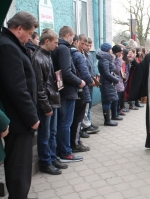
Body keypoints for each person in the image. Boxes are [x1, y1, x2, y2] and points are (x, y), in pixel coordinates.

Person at [0, 11, 40, 198]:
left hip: (18, 119)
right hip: (18, 121)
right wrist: (32, 117)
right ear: (19, 29)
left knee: (20, 170)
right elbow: (16, 88)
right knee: (19, 170)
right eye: (30, 33)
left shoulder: (11, 44)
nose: (30, 38)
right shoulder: (8, 47)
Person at [31, 28, 68, 175]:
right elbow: (39, 87)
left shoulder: (47, 55)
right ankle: (46, 162)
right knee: (45, 134)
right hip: (47, 102)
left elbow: (48, 81)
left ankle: (52, 157)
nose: (57, 45)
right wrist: (46, 106)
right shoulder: (37, 58)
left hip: (53, 98)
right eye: (55, 42)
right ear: (47, 41)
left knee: (52, 132)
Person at [52, 26, 85, 162]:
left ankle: (61, 150)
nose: (73, 39)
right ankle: (65, 152)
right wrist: (79, 82)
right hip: (67, 91)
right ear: (68, 35)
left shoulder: (56, 48)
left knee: (61, 123)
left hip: (60, 89)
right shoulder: (64, 48)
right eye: (73, 36)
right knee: (66, 123)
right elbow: (66, 72)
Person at [69, 34, 93, 151]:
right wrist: (90, 81)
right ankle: (75, 143)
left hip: (73, 89)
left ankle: (73, 142)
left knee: (73, 118)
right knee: (77, 119)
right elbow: (84, 73)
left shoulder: (69, 53)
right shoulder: (78, 55)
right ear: (76, 42)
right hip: (80, 88)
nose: (83, 46)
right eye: (82, 43)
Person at [96, 42, 120, 126]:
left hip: (108, 83)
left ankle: (108, 119)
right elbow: (106, 73)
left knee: (108, 100)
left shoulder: (106, 59)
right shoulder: (104, 60)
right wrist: (116, 80)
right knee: (107, 101)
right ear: (107, 50)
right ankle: (107, 120)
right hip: (106, 83)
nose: (111, 50)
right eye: (110, 49)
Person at [81, 37, 100, 134]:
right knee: (85, 106)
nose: (88, 47)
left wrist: (95, 78)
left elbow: (92, 68)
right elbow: (84, 70)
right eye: (87, 45)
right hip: (86, 83)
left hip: (91, 82)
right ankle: (84, 126)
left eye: (90, 45)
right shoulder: (81, 55)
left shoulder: (89, 55)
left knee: (89, 105)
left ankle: (88, 122)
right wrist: (90, 80)